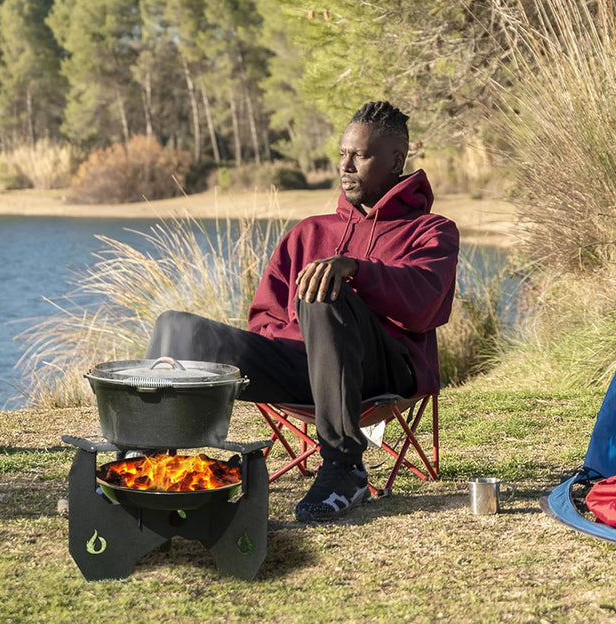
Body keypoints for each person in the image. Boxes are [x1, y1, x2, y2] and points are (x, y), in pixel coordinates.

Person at [144, 100, 460, 521]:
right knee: (175, 328)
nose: (345, 166)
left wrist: (354, 270)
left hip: (384, 370)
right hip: (305, 371)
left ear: (396, 160)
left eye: (360, 156)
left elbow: (423, 304)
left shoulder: (431, 231)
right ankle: (145, 460)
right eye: (342, 154)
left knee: (323, 292)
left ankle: (345, 468)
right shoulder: (308, 232)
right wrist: (298, 344)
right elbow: (264, 317)